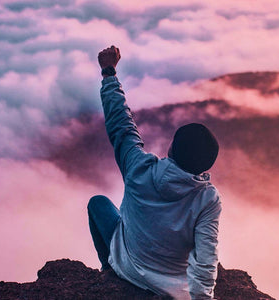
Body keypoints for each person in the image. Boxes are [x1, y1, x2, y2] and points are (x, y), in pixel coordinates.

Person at [87, 45, 221, 300]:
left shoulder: (139, 168)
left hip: (127, 266)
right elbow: (207, 257)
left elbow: (122, 127)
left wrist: (109, 73)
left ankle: (108, 269)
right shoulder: (208, 200)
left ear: (172, 149)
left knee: (98, 204)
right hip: (174, 287)